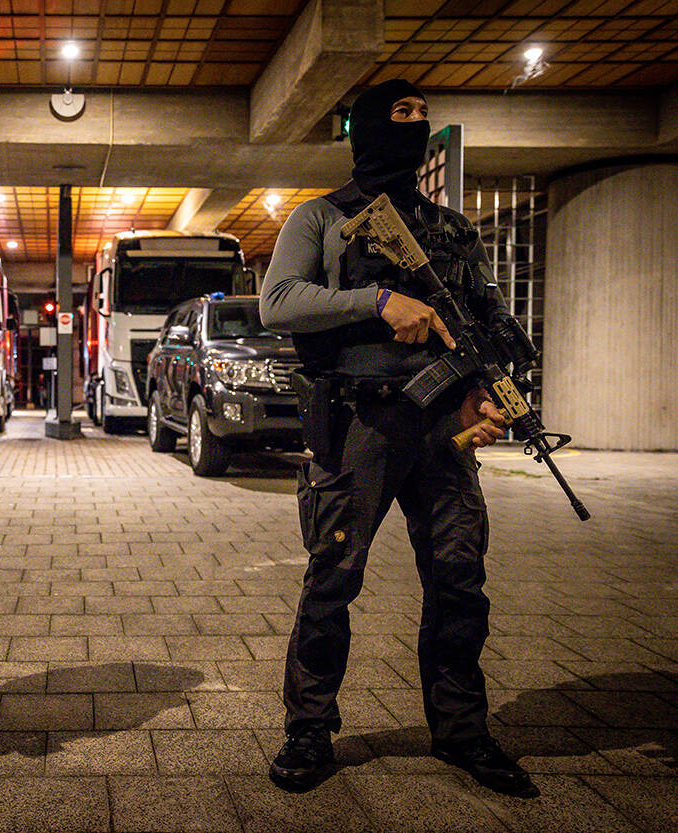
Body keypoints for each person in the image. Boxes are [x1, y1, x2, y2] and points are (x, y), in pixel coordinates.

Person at [259, 79, 534, 796]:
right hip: (363, 421)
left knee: (459, 577)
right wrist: (378, 300)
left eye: (423, 116)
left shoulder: (454, 231)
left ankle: (461, 729)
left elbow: (486, 319)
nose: (416, 126)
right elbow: (278, 300)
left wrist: (492, 392)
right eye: (401, 115)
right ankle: (310, 728)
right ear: (368, 128)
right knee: (334, 575)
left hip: (447, 427)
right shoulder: (321, 217)